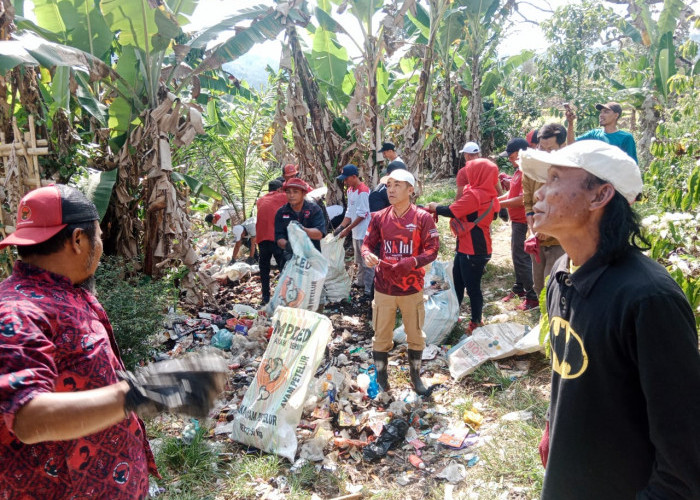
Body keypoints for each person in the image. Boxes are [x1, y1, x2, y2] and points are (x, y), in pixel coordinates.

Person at [0, 185, 225, 498]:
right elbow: (27, 417)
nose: (102, 245)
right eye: (100, 236)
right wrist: (142, 391)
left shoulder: (65, 293)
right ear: (78, 240)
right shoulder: (16, 312)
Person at [521, 140, 700, 499]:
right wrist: (552, 428)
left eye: (555, 178)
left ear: (600, 195)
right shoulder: (562, 272)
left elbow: (684, 459)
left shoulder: (648, 299)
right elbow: (573, 375)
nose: (539, 192)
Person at [362, 170, 439, 396]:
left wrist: (413, 261)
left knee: (415, 334)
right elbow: (367, 244)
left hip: (411, 287)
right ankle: (383, 380)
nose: (391, 190)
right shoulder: (379, 217)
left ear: (410, 190)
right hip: (384, 287)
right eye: (388, 186)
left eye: (397, 185)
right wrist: (367, 255)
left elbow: (433, 249)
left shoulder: (422, 218)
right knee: (381, 334)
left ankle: (416, 378)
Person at [426, 159, 500, 332]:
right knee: (457, 282)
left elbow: (451, 210)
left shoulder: (475, 195)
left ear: (478, 174)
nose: (467, 173)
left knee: (473, 288)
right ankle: (454, 313)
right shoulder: (489, 193)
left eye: (471, 171)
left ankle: (476, 322)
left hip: (473, 250)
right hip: (469, 246)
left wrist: (434, 206)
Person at [522, 123, 567, 299]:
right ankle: (544, 322)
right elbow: (527, 202)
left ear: (562, 147)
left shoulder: (569, 171)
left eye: (551, 149)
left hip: (559, 240)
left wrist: (548, 230)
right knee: (539, 286)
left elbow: (567, 208)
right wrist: (533, 228)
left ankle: (556, 322)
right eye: (542, 147)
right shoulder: (531, 170)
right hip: (537, 238)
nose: (546, 153)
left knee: (554, 285)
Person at [498, 137, 538, 311]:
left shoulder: (527, 171)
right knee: (518, 255)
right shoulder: (517, 171)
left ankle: (533, 296)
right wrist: (493, 201)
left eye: (511, 154)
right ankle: (520, 288)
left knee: (521, 257)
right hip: (516, 220)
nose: (509, 158)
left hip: (523, 221)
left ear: (521, 152)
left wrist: (497, 204)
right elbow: (511, 194)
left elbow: (522, 199)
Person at [334, 165, 373, 298]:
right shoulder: (351, 190)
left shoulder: (363, 191)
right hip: (356, 232)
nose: (345, 182)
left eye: (346, 179)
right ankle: (360, 282)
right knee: (359, 260)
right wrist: (340, 227)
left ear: (354, 177)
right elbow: (350, 212)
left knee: (367, 262)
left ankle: (369, 289)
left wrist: (347, 229)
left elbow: (362, 215)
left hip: (364, 232)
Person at [274, 177, 327, 269]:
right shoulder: (281, 212)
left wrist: (302, 230)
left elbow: (319, 234)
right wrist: (288, 246)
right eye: (288, 192)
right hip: (291, 260)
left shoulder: (314, 210)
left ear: (303, 193)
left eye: (295, 192)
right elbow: (279, 238)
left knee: (313, 282)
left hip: (312, 259)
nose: (291, 195)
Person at [566, 101, 637, 162]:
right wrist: (570, 123)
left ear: (616, 115)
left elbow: (632, 165)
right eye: (601, 112)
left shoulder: (626, 138)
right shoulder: (594, 134)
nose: (601, 115)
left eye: (606, 112)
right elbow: (571, 144)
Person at [255, 179, 287, 305]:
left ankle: (265, 297)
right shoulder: (282, 197)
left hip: (262, 239)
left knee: (264, 269)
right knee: (283, 267)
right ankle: (284, 296)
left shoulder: (260, 200)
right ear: (279, 189)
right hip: (275, 238)